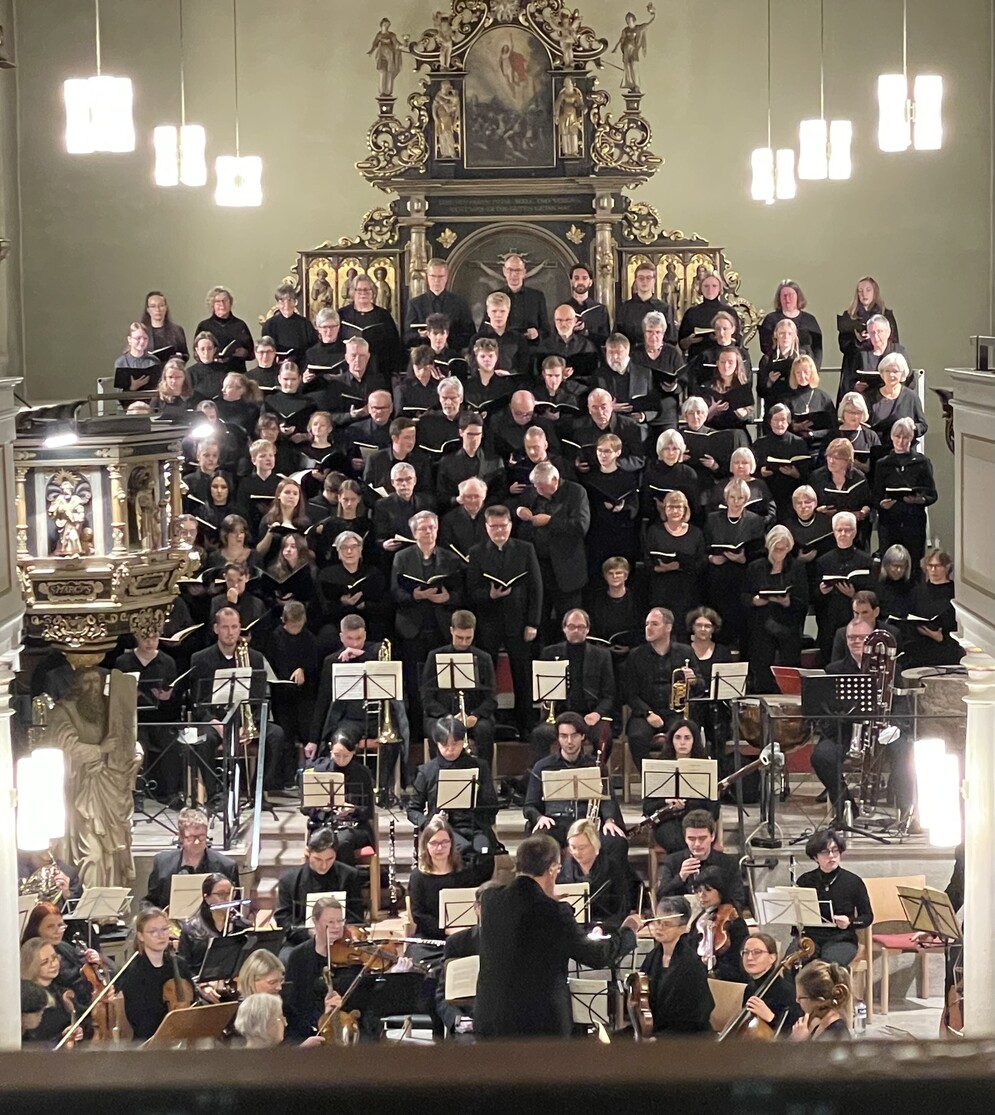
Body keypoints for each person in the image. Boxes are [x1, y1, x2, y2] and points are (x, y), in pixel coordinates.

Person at [474, 833, 640, 1039]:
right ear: (552, 869)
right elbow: (597, 956)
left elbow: (523, 913)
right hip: (537, 1023)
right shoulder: (555, 912)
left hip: (491, 1018)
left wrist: (546, 898)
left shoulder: (491, 900)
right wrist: (628, 931)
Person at [47, 668, 142, 888]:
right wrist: (100, 750)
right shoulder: (64, 711)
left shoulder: (110, 706)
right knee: (93, 856)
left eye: (96, 682)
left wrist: (136, 752)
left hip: (112, 790)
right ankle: (89, 914)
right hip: (81, 794)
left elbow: (127, 734)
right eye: (87, 682)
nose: (92, 688)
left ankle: (109, 915)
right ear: (77, 685)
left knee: (114, 856)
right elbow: (66, 746)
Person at [182, 606, 290, 799]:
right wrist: (216, 724)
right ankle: (215, 794)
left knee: (276, 735)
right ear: (216, 629)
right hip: (215, 722)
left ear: (240, 628)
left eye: (234, 627)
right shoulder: (200, 658)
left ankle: (257, 790)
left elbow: (257, 698)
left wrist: (249, 725)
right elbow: (197, 702)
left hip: (244, 720)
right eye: (225, 627)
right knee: (203, 741)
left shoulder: (254, 658)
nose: (230, 632)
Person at [467, 504, 542, 739]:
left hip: (518, 622)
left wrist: (533, 623)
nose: (499, 531)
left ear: (510, 525)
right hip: (489, 622)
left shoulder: (525, 549)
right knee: (486, 675)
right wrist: (489, 595)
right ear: (486, 527)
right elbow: (471, 591)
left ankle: (526, 723)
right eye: (494, 526)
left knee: (522, 673)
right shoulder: (477, 552)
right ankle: (487, 721)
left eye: (503, 526)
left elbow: (536, 588)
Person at [525, 711, 628, 864]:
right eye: (563, 736)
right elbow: (529, 805)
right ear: (558, 738)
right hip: (556, 824)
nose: (569, 741)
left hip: (588, 825)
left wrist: (609, 820)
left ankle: (603, 885)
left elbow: (608, 799)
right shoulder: (542, 766)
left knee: (616, 842)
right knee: (538, 846)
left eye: (574, 736)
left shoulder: (596, 765)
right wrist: (539, 817)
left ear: (583, 737)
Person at [407, 716, 500, 878]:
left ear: (463, 741)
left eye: (455, 744)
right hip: (444, 830)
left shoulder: (479, 766)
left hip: (475, 826)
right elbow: (412, 810)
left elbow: (492, 806)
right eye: (445, 745)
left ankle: (480, 896)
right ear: (437, 744)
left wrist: (479, 799)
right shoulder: (427, 771)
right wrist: (429, 822)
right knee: (463, 853)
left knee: (484, 853)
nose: (450, 749)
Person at [516, 462, 591, 638]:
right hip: (539, 568)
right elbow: (520, 522)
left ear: (555, 480)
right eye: (535, 485)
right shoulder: (532, 493)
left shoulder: (576, 492)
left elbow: (581, 526)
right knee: (540, 623)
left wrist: (550, 521)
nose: (537, 489)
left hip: (567, 571)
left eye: (541, 485)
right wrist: (521, 513)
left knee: (569, 621)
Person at [529, 611, 615, 766]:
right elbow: (541, 691)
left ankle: (598, 776)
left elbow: (609, 695)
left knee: (604, 736)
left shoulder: (602, 655)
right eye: (571, 626)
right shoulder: (550, 653)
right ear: (564, 628)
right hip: (560, 714)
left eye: (581, 627)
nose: (576, 630)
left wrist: (597, 713)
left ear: (588, 629)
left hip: (589, 715)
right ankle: (541, 778)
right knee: (540, 734)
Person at [623, 608, 701, 769]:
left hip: (676, 712)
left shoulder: (685, 652)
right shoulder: (635, 655)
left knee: (684, 735)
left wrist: (693, 680)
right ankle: (650, 782)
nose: (648, 628)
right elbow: (630, 694)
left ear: (668, 627)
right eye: (647, 624)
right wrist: (648, 714)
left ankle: (680, 777)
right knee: (637, 736)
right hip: (645, 713)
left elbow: (701, 686)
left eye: (654, 624)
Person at [421, 610, 498, 769]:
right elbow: (427, 698)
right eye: (459, 637)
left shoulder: (484, 658)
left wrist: (475, 716)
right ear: (451, 631)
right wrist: (448, 717)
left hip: (474, 716)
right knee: (439, 729)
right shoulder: (435, 656)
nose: (463, 642)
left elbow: (491, 698)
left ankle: (483, 777)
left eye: (468, 638)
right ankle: (440, 775)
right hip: (442, 714)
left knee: (484, 730)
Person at [407, 816, 484, 966]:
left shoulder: (464, 873)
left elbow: (474, 907)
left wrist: (462, 931)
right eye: (434, 843)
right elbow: (419, 915)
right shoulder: (418, 877)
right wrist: (447, 931)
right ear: (426, 846)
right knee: (424, 963)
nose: (439, 848)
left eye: (444, 842)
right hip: (429, 941)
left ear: (451, 844)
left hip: (462, 937)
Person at [704, 478, 766, 653]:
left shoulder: (755, 521)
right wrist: (711, 558)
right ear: (726, 498)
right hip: (718, 578)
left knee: (744, 626)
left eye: (740, 498)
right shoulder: (713, 519)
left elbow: (759, 553)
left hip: (743, 578)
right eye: (732, 497)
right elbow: (703, 546)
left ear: (746, 499)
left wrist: (742, 559)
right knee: (720, 624)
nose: (736, 502)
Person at [745, 525, 809, 692]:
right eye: (776, 548)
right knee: (761, 666)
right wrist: (754, 600)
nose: (780, 552)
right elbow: (743, 595)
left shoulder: (797, 568)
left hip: (787, 625)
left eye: (784, 548)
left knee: (789, 666)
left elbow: (803, 599)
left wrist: (788, 602)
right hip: (761, 624)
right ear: (769, 546)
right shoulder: (755, 567)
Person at [116, 908, 197, 1042]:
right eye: (153, 931)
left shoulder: (180, 964)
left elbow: (192, 1003)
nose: (161, 936)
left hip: (184, 1039)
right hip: (151, 1045)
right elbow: (141, 1024)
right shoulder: (133, 972)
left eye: (165, 929)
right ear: (141, 936)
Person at [794, 828, 872, 966]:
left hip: (841, 939)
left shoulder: (853, 881)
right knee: (792, 963)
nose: (831, 856)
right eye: (825, 852)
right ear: (815, 857)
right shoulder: (805, 881)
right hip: (811, 937)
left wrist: (850, 921)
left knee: (827, 966)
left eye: (835, 850)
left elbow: (867, 917)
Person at [638, 718, 717, 853]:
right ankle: (683, 872)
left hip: (697, 819)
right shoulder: (659, 765)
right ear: (671, 740)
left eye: (687, 738)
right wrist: (666, 801)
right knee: (675, 840)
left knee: (696, 838)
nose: (682, 742)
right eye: (678, 737)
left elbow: (714, 808)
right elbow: (647, 807)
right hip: (668, 821)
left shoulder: (705, 766)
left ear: (694, 740)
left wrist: (690, 805)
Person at [275, 827, 365, 946]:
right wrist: (309, 933)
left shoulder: (349, 875)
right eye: (318, 859)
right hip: (302, 941)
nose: (323, 866)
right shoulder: (289, 880)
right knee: (286, 959)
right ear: (307, 852)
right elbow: (283, 919)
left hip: (341, 941)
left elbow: (356, 915)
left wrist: (345, 930)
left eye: (330, 859)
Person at [639, 894, 714, 1034]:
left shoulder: (691, 964)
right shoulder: (652, 957)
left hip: (685, 1036)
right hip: (656, 1028)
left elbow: (696, 1016)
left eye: (667, 924)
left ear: (683, 928)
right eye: (657, 922)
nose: (659, 928)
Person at [873, 415, 937, 570]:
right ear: (892, 437)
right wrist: (882, 503)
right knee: (889, 562)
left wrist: (920, 500)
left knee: (913, 562)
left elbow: (932, 494)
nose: (901, 441)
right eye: (897, 437)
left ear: (911, 438)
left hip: (913, 521)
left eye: (905, 437)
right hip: (889, 521)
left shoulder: (922, 462)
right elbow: (875, 495)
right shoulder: (883, 464)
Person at [144, 807, 240, 909]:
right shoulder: (162, 863)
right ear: (181, 837)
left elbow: (235, 906)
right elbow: (150, 902)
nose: (197, 842)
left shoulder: (227, 866)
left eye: (202, 836)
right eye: (191, 837)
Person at [301, 727, 376, 858]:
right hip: (324, 825)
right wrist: (319, 807)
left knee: (342, 842)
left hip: (354, 827)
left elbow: (368, 811)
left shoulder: (362, 773)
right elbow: (305, 808)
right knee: (324, 841)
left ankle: (344, 877)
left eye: (346, 755)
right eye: (337, 755)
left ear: (354, 751)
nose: (341, 760)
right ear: (330, 749)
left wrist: (353, 810)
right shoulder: (318, 771)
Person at [814, 511, 875, 662]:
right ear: (833, 532)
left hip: (857, 618)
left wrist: (855, 595)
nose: (843, 534)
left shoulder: (865, 560)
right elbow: (813, 595)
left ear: (854, 532)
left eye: (847, 530)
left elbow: (874, 592)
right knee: (831, 660)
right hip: (830, 619)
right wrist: (821, 591)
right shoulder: (823, 561)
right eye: (839, 530)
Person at [656, 808, 745, 907]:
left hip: (715, 917)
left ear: (712, 836)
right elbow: (661, 898)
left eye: (702, 838)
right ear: (685, 838)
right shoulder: (673, 861)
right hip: (683, 918)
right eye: (691, 839)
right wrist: (680, 877)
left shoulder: (728, 863)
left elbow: (738, 900)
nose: (697, 844)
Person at [556, 817, 630, 928]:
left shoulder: (612, 868)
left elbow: (621, 910)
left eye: (582, 847)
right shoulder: (561, 870)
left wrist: (602, 928)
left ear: (595, 844)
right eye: (573, 847)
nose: (577, 852)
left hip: (606, 926)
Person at [837, 276, 900, 401]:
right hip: (854, 367)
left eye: (868, 290)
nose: (863, 294)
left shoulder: (886, 315)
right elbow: (843, 346)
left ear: (875, 292)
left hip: (879, 363)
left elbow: (894, 342)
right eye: (860, 291)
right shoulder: (849, 317)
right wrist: (857, 338)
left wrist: (873, 337)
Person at [901, 549, 965, 670]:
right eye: (930, 566)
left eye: (937, 566)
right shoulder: (917, 591)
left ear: (947, 567)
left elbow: (959, 625)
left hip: (946, 651)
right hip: (920, 650)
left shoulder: (956, 592)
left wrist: (941, 637)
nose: (933, 570)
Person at [177, 872, 250, 974]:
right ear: (207, 898)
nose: (227, 898)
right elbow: (183, 967)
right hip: (200, 985)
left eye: (230, 893)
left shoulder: (243, 927)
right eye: (221, 894)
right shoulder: (191, 930)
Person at [404, 258, 475, 354]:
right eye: (433, 276)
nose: (436, 281)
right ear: (427, 277)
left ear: (447, 277)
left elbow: (470, 335)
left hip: (453, 355)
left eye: (440, 276)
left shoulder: (460, 303)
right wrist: (421, 336)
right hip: (423, 357)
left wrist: (447, 338)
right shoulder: (415, 304)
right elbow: (407, 337)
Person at [738, 933, 804, 1036]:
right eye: (746, 952)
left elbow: (791, 1034)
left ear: (772, 958)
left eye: (757, 952)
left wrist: (771, 1018)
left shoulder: (787, 992)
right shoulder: (750, 988)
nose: (749, 957)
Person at [690, 865, 748, 981]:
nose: (702, 895)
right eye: (699, 891)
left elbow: (739, 967)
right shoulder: (701, 920)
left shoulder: (735, 924)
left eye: (708, 890)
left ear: (722, 891)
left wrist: (716, 965)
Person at [20, 938, 79, 1045]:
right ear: (31, 966)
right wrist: (61, 1037)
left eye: (54, 958)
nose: (53, 964)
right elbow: (35, 1039)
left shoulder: (60, 990)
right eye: (45, 962)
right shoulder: (29, 1000)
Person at [869, 352, 927, 449]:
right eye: (887, 371)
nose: (891, 375)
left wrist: (913, 427)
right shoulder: (871, 396)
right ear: (882, 374)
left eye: (895, 371)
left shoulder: (911, 396)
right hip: (878, 450)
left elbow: (923, 425)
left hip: (904, 451)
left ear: (902, 374)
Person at [758, 279, 823, 366]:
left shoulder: (810, 320)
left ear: (798, 297)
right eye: (784, 296)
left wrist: (814, 369)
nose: (787, 299)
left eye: (791, 295)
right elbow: (766, 347)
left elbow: (818, 349)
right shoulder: (770, 319)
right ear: (779, 298)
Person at [195, 286, 254, 372]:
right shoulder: (204, 326)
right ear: (212, 305)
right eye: (218, 301)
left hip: (236, 370)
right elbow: (196, 353)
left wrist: (244, 353)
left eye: (225, 301)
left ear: (230, 303)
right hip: (211, 372)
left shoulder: (240, 325)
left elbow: (251, 353)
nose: (222, 304)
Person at [495, 253, 550, 343]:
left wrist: (537, 333)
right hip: (502, 348)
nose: (514, 274)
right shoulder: (495, 296)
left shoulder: (537, 297)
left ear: (524, 272)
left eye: (518, 270)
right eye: (510, 270)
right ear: (504, 271)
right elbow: (486, 326)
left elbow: (546, 330)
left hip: (530, 348)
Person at [791, 959, 852, 1041]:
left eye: (800, 998)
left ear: (820, 1001)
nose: (797, 1001)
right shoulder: (820, 1023)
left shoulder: (836, 1033)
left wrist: (801, 1042)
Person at [565, 263, 611, 349]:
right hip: (568, 355)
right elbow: (555, 336)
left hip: (593, 355)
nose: (580, 282)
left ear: (590, 282)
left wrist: (586, 332)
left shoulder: (600, 309)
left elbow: (606, 339)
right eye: (576, 278)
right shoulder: (563, 309)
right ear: (571, 282)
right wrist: (570, 331)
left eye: (584, 278)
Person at [612, 4, 656, 91]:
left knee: (634, 66)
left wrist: (654, 14)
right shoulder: (625, 30)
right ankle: (631, 84)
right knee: (628, 67)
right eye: (627, 20)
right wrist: (616, 47)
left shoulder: (638, 28)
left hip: (633, 51)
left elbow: (648, 23)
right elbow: (622, 39)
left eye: (629, 20)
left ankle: (636, 85)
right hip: (626, 51)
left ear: (633, 20)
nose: (628, 22)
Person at [113, 321, 162, 392]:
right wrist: (132, 387)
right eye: (138, 338)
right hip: (128, 401)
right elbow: (119, 392)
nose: (142, 341)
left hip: (150, 401)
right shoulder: (121, 362)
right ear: (129, 339)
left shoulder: (154, 361)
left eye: (145, 338)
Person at [142, 290, 189, 363]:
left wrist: (179, 357)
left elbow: (185, 355)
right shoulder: (142, 332)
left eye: (161, 305)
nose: (157, 310)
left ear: (166, 308)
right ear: (148, 310)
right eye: (153, 306)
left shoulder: (177, 330)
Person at [368, 17, 404, 97]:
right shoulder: (379, 35)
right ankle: (382, 91)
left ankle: (388, 91)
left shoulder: (391, 35)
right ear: (382, 25)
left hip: (390, 58)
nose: (386, 26)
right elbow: (374, 45)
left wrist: (404, 45)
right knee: (383, 73)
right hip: (381, 57)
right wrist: (371, 51)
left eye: (387, 25)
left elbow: (397, 45)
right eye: (385, 25)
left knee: (389, 73)